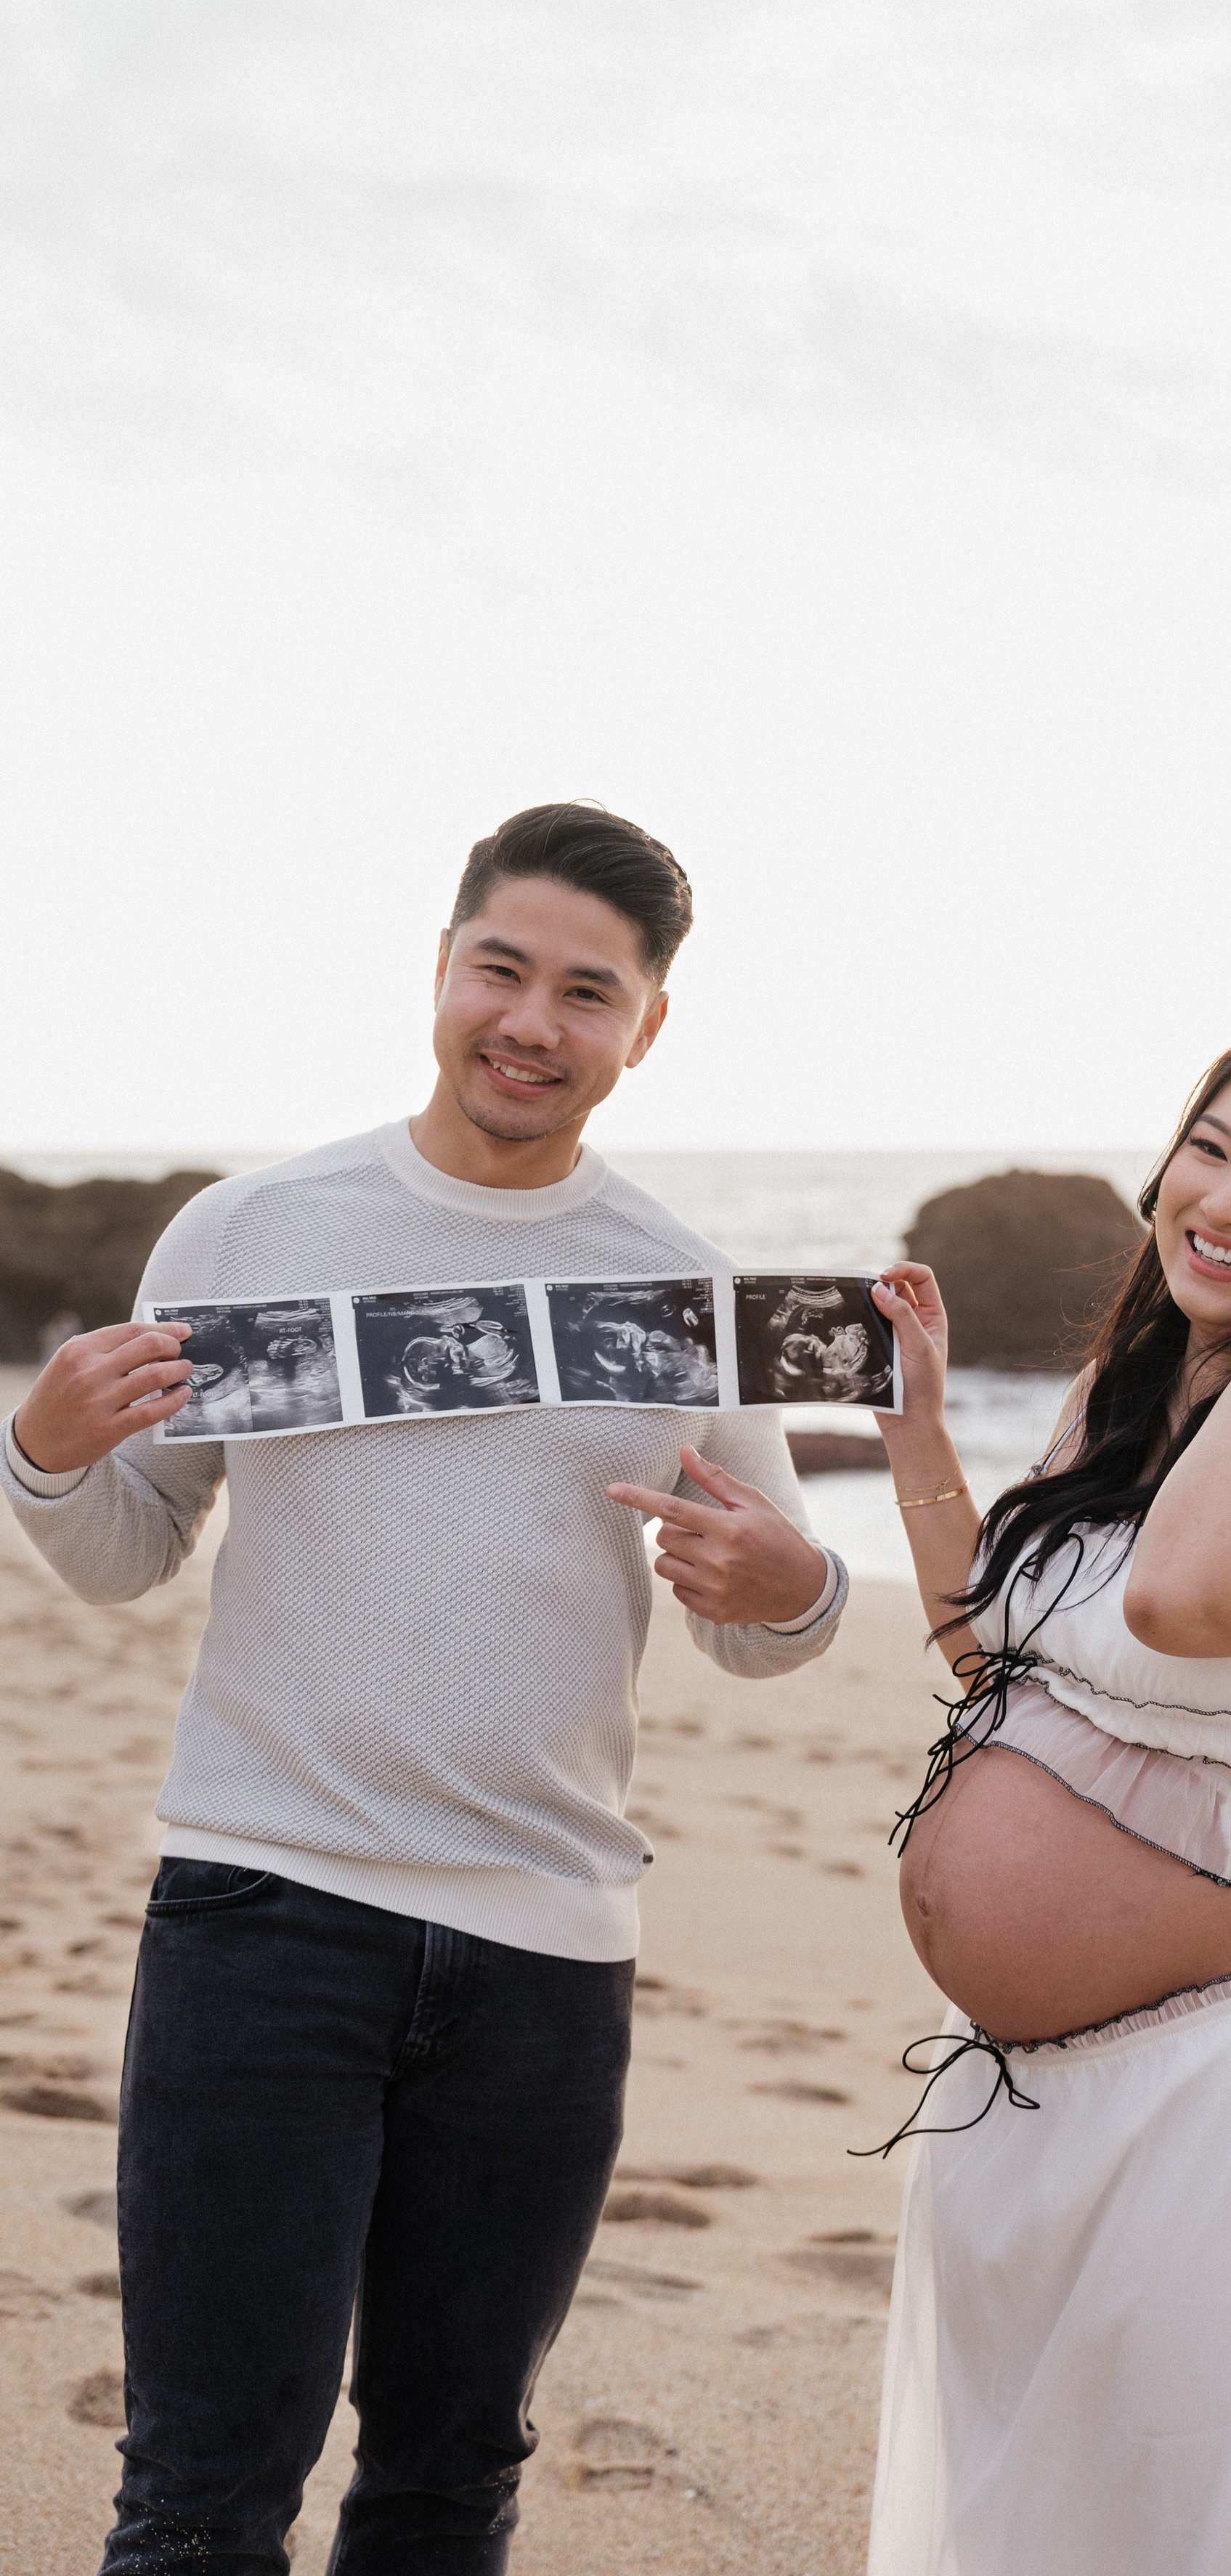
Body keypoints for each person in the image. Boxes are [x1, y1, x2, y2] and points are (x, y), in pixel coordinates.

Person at [3, 800, 846, 2575]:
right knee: (202, 2490)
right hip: (263, 1916)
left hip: (548, 1957)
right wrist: (44, 1455)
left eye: (587, 992)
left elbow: (762, 1621)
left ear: (647, 1026)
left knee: (450, 2480)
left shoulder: (686, 1290)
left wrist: (798, 1584)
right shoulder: (251, 1231)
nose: (533, 1022)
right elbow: (129, 1551)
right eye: (503, 971)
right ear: (443, 971)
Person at [864, 1022, 1231, 2576]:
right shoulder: (1120, 1413)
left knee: (1158, 2527)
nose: (1225, 1198)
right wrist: (918, 1426)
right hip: (1007, 2085)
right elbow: (985, 1650)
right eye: (1209, 1146)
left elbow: (1183, 1604)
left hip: (1203, 2082)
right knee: (1010, 2512)